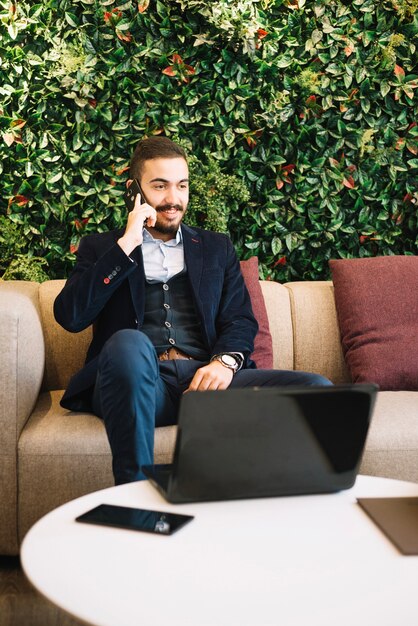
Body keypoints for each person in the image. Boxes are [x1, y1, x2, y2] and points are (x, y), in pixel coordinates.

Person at [54, 136, 331, 485]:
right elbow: (70, 316)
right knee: (128, 342)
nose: (173, 199)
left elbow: (240, 319)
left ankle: (270, 509)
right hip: (139, 385)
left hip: (206, 386)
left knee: (317, 388)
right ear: (133, 191)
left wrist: (224, 363)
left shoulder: (216, 248)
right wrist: (126, 245)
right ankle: (133, 493)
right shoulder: (102, 248)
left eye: (181, 186)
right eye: (159, 186)